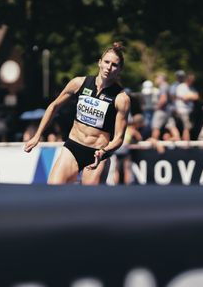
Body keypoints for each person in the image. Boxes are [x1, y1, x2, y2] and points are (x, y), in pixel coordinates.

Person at [24, 42, 131, 185]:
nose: (109, 67)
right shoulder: (79, 83)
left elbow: (119, 138)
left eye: (114, 65)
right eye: (106, 62)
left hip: (97, 154)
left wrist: (104, 151)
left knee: (89, 202)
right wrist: (37, 135)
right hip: (73, 147)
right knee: (52, 189)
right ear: (99, 62)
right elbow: (54, 106)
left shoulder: (121, 98)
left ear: (120, 70)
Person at [150, 73, 180, 142]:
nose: (156, 80)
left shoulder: (163, 86)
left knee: (155, 126)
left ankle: (154, 140)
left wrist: (157, 107)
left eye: (157, 78)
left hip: (162, 110)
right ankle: (176, 137)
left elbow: (163, 99)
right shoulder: (167, 86)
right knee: (171, 125)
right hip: (168, 110)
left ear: (161, 79)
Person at [174, 73, 199, 140]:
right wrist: (190, 96)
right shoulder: (181, 87)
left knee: (188, 127)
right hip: (182, 110)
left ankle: (185, 141)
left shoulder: (191, 88)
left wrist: (189, 96)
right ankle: (186, 143)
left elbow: (196, 97)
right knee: (187, 127)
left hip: (189, 110)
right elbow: (184, 98)